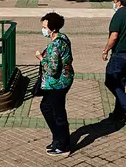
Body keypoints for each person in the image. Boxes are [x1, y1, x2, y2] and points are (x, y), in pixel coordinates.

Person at [35, 12, 74, 156]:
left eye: (45, 27)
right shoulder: (63, 38)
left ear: (53, 28)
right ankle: (59, 139)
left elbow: (52, 69)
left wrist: (41, 58)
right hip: (62, 81)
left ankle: (62, 144)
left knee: (55, 112)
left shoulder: (56, 45)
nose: (43, 29)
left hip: (58, 83)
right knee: (48, 107)